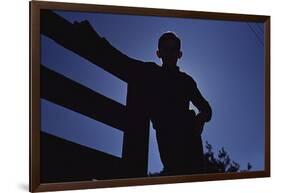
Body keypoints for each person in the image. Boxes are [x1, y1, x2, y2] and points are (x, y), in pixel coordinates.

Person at [72, 20, 212, 175]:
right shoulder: (151, 72)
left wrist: (200, 119)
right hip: (169, 143)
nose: (170, 53)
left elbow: (206, 108)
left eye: (173, 49)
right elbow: (121, 61)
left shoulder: (187, 81)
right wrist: (93, 37)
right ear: (158, 53)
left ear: (179, 54)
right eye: (165, 49)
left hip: (191, 142)